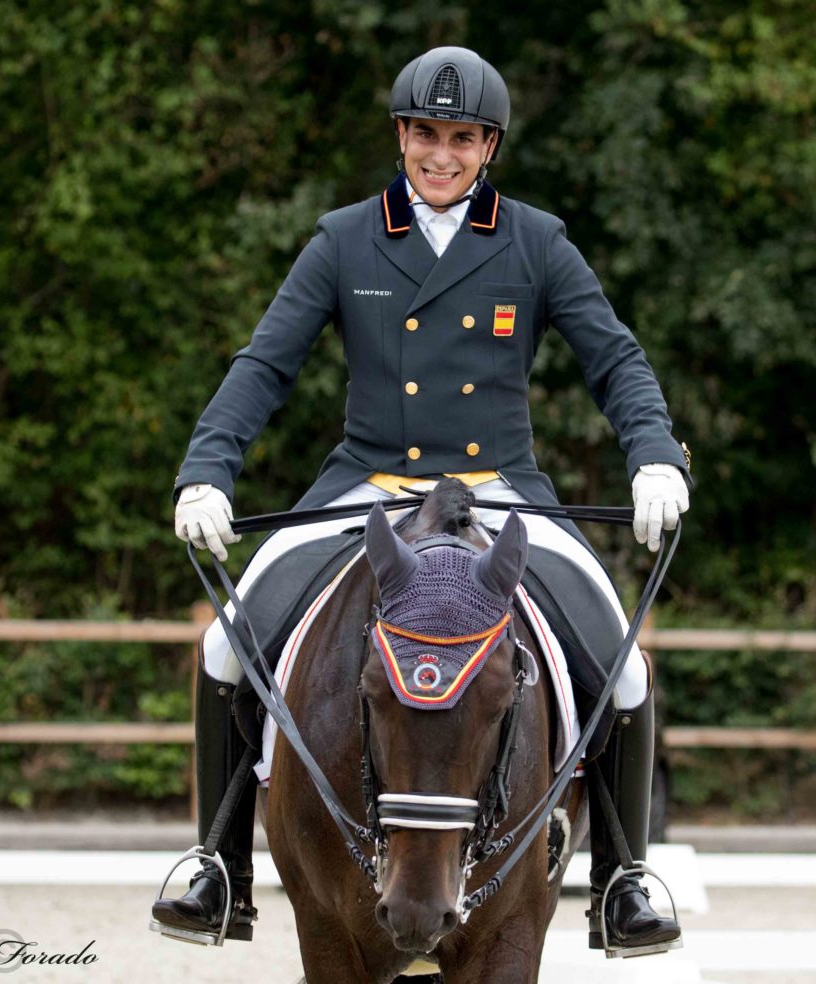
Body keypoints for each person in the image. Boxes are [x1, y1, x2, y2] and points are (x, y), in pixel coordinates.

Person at [150, 46, 691, 957]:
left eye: (463, 139)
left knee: (625, 671)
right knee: (225, 648)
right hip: (368, 485)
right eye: (426, 135)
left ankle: (623, 881)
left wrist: (652, 454)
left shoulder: (537, 241)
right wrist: (207, 469)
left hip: (498, 491)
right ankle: (221, 868)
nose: (442, 155)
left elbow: (616, 359)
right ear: (402, 135)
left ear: (490, 148)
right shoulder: (345, 239)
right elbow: (264, 364)